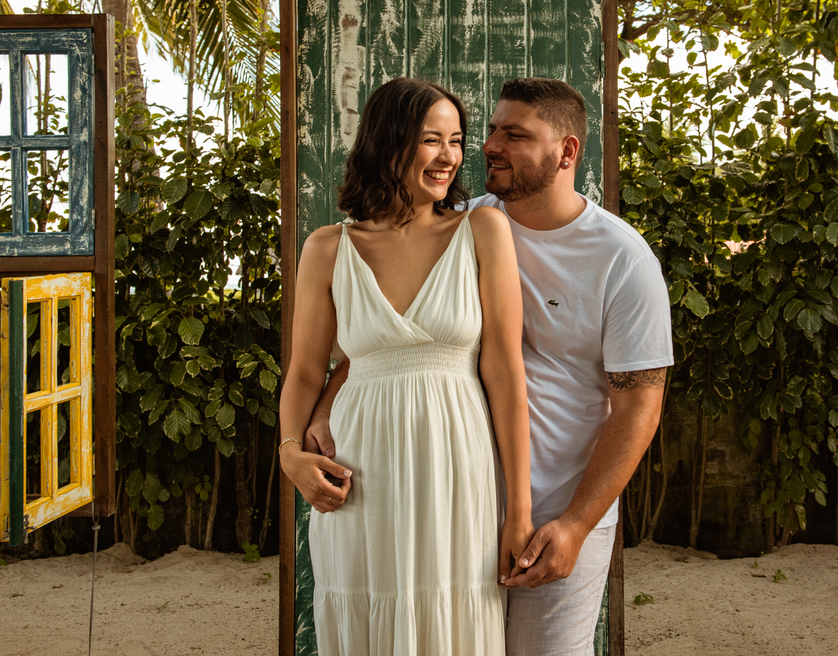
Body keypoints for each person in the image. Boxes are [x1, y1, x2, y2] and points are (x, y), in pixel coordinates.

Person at [307, 77, 674, 655]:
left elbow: (639, 407)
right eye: (492, 129)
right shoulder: (461, 222)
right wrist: (324, 409)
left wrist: (576, 524)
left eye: (515, 135)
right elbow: (392, 340)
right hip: (453, 496)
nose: (489, 146)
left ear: (567, 151)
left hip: (555, 506)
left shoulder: (622, 259)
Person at [278, 77, 533, 655]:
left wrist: (518, 509)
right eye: (431, 139)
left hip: (456, 466)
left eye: (456, 140)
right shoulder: (327, 248)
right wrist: (290, 454)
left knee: (453, 620)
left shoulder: (482, 230)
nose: (449, 157)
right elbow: (304, 372)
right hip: (360, 472)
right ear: (388, 141)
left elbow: (505, 371)